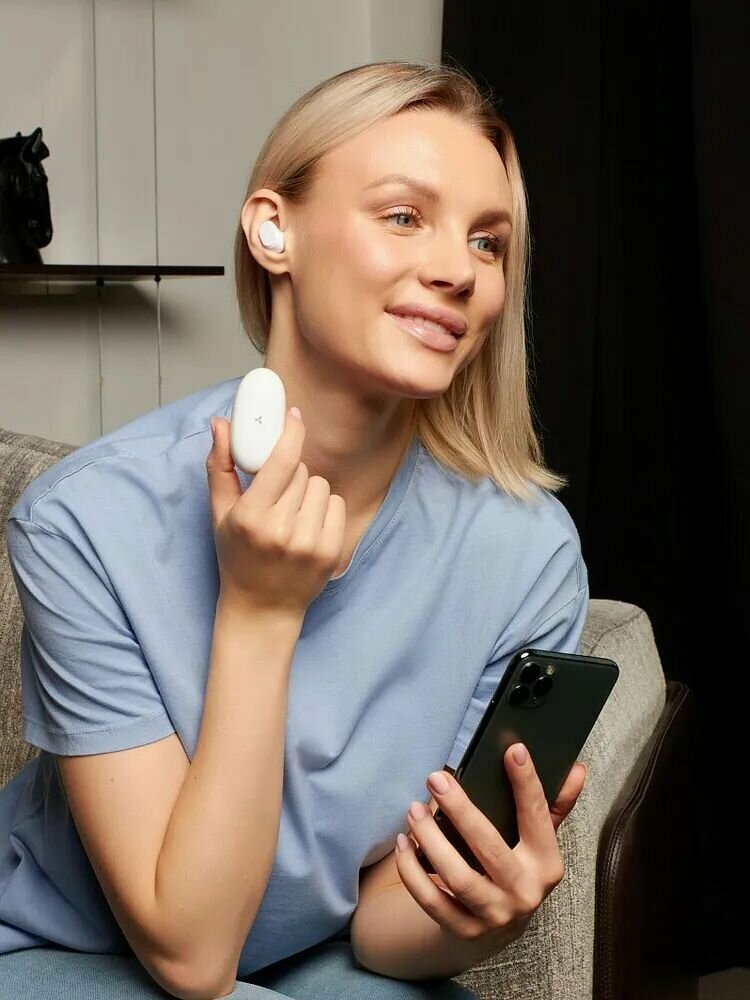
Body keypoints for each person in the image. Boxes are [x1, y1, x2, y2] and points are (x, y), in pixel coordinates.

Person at [0, 59, 589, 999]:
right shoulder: (85, 521)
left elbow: (381, 933)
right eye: (405, 216)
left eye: (488, 241)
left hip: (309, 957)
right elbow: (192, 958)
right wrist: (260, 612)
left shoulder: (527, 555)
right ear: (274, 230)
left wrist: (486, 909)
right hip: (66, 950)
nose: (459, 271)